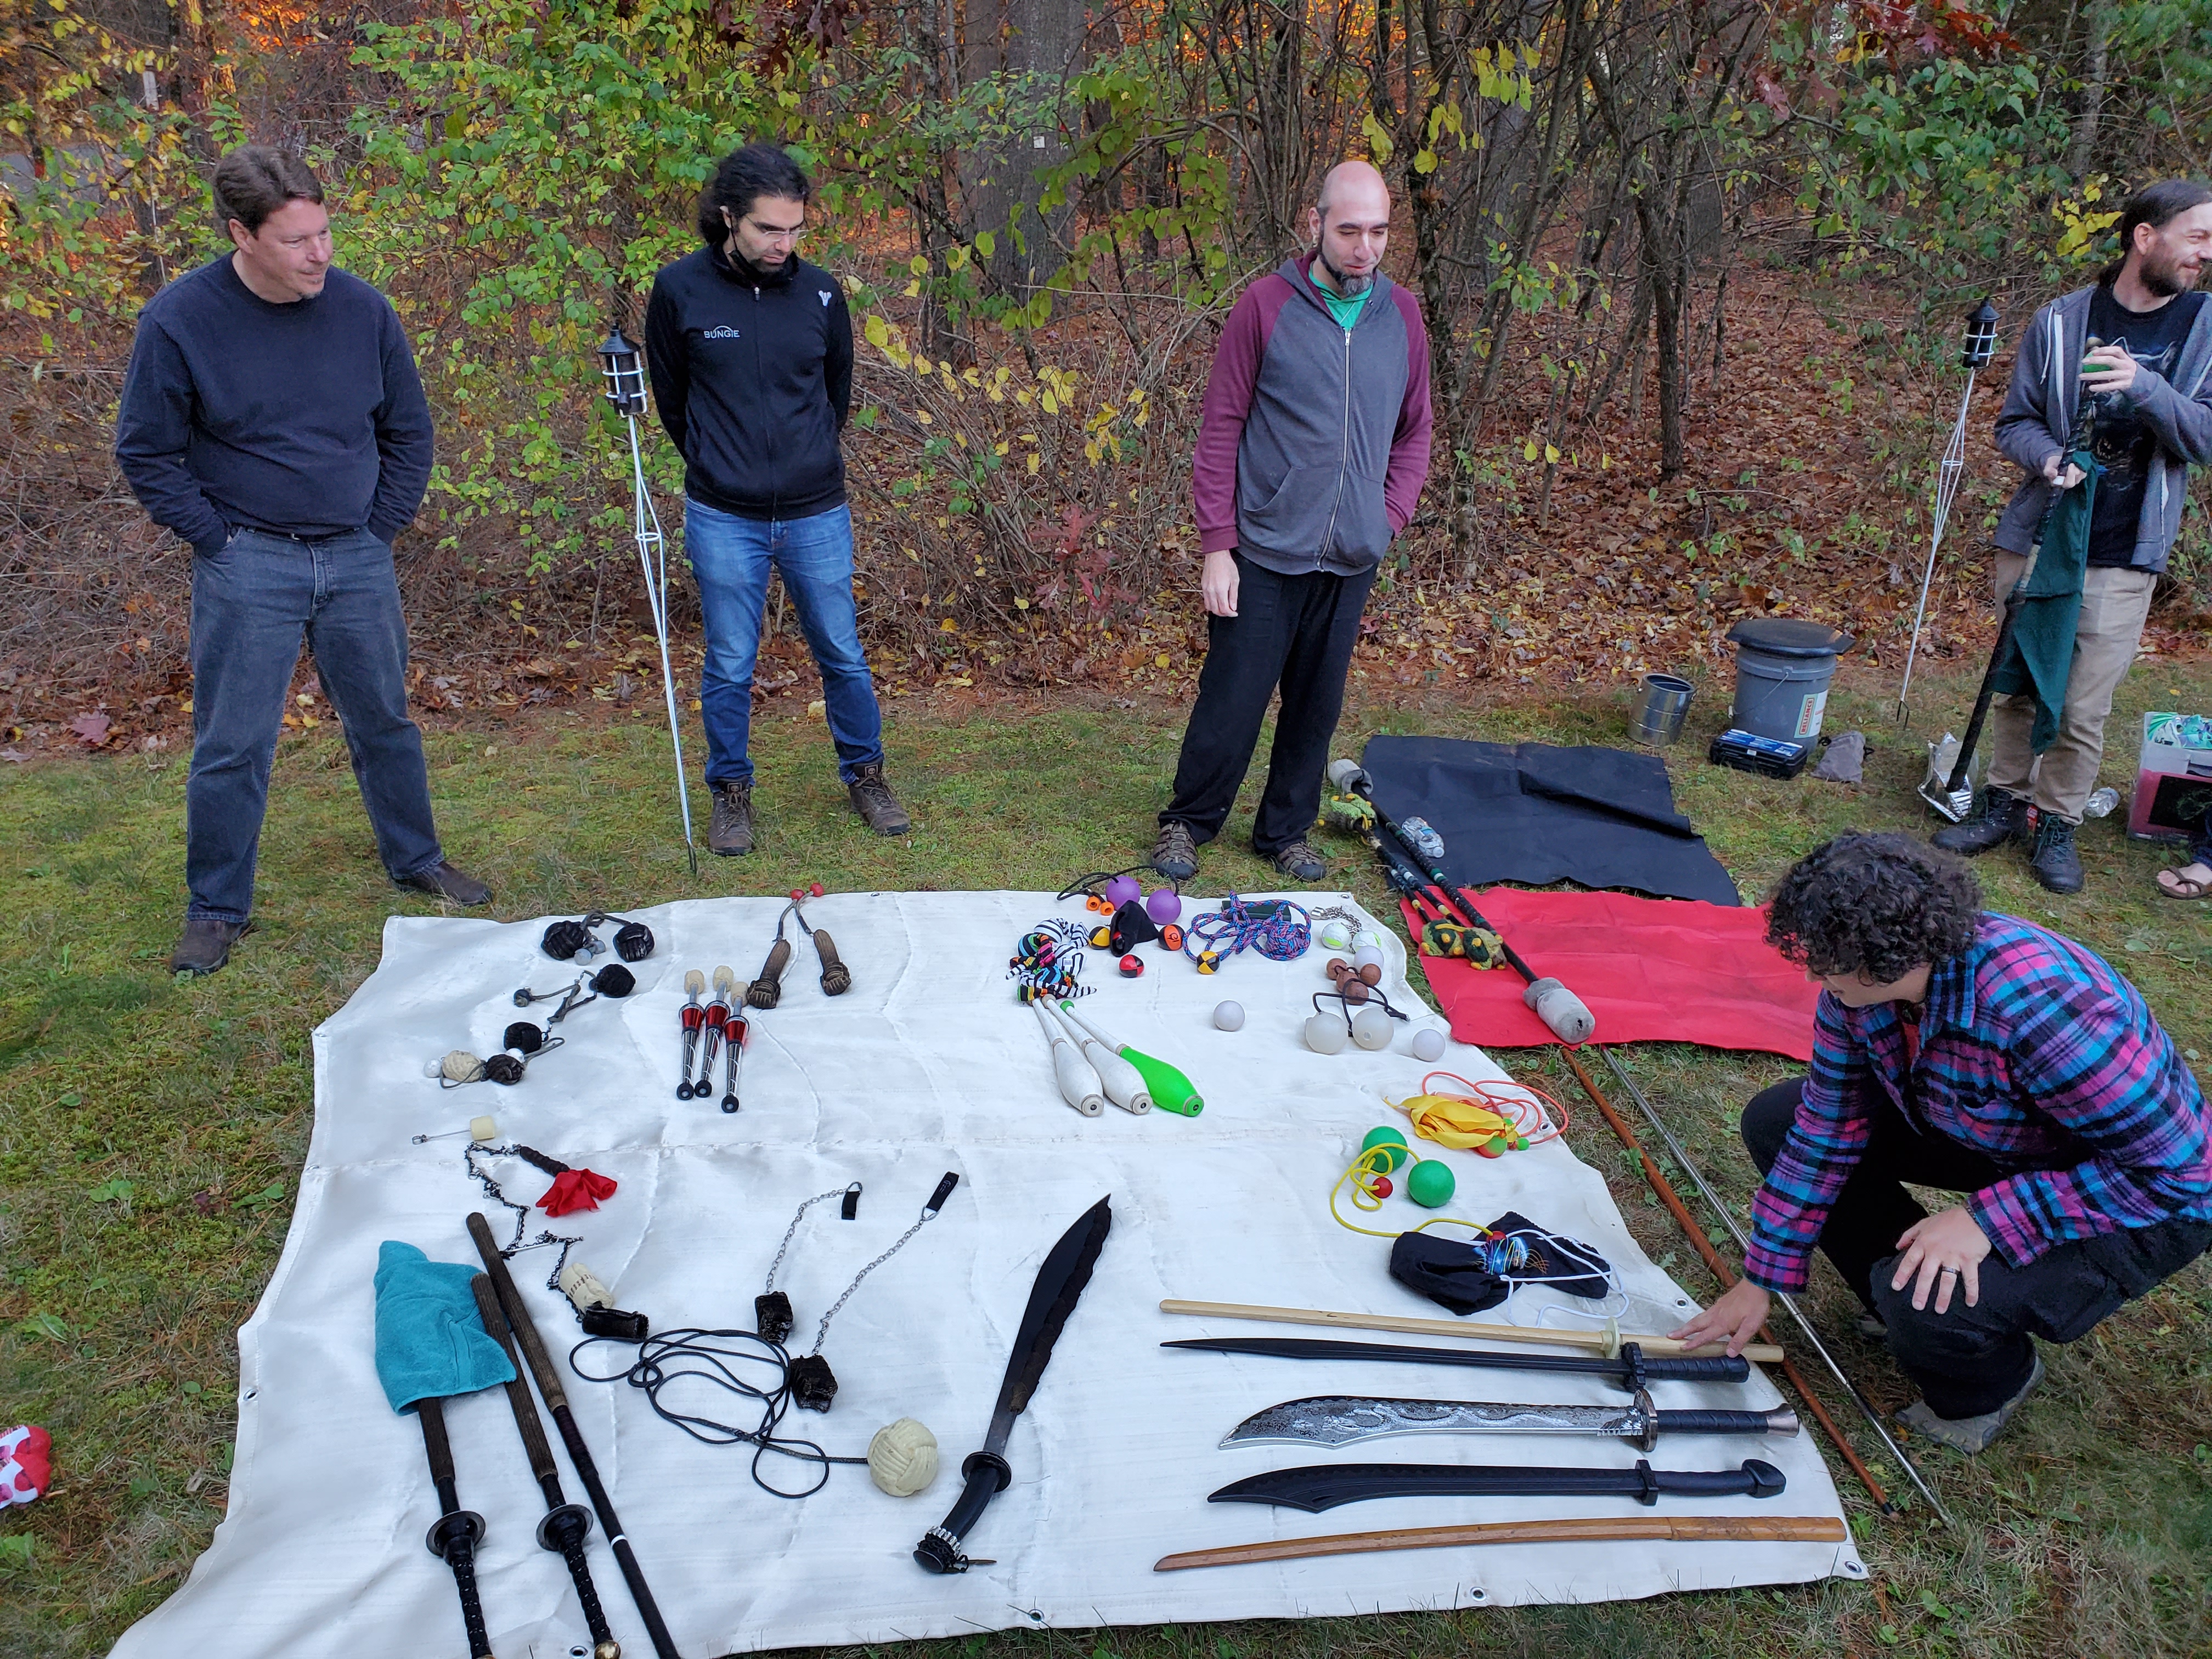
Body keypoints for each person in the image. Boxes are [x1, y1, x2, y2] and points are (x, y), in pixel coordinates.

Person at [1673, 833, 2210, 1454]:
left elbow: (2181, 1170)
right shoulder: (1861, 991)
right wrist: (1761, 1276)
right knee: (1779, 1120)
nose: (1814, 974)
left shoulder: (2043, 1007)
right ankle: (1898, 1288)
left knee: (1925, 1301)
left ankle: (1992, 1384)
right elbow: (1828, 1123)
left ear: (1891, 955)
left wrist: (1990, 1219)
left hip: (2145, 1193)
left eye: (1829, 961)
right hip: (2015, 1138)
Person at [115, 145, 489, 978]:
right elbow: (146, 451)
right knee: (233, 743)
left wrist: (379, 527)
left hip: (356, 556)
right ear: (241, 235)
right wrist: (216, 540)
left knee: (385, 721)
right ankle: (217, 908)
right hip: (249, 562)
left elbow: (408, 431)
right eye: (296, 241)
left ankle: (417, 858)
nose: (319, 254)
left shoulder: (363, 311)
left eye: (324, 233)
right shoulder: (180, 320)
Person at [1149, 160, 1432, 884]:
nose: (1364, 249)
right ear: (1315, 224)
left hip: (1352, 556)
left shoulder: (1401, 317)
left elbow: (1415, 431)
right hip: (1265, 550)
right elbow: (1221, 428)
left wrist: (1388, 516)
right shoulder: (1265, 307)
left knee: (1315, 707)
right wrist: (1218, 545)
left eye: (1378, 233)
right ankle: (1188, 821)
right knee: (1233, 700)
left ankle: (1285, 831)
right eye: (1349, 231)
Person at [1936, 180, 2212, 894]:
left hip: (2124, 550)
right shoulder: (2060, 321)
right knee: (2021, 681)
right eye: (2197, 236)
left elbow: (2206, 438)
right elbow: (2014, 423)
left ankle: (2056, 825)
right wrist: (2049, 457)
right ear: (2146, 237)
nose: (2206, 253)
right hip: (2041, 534)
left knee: (2084, 706)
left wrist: (2145, 388)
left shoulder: (2206, 328)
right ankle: (2003, 804)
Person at [644, 143, 907, 856]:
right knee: (731, 660)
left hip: (816, 510)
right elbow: (673, 401)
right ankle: (731, 792)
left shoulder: (821, 294)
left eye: (794, 230)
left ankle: (867, 776)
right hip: (722, 515)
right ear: (729, 216)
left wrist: (802, 461)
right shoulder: (679, 290)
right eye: (767, 229)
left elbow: (834, 396)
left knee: (842, 653)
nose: (781, 245)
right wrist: (720, 462)